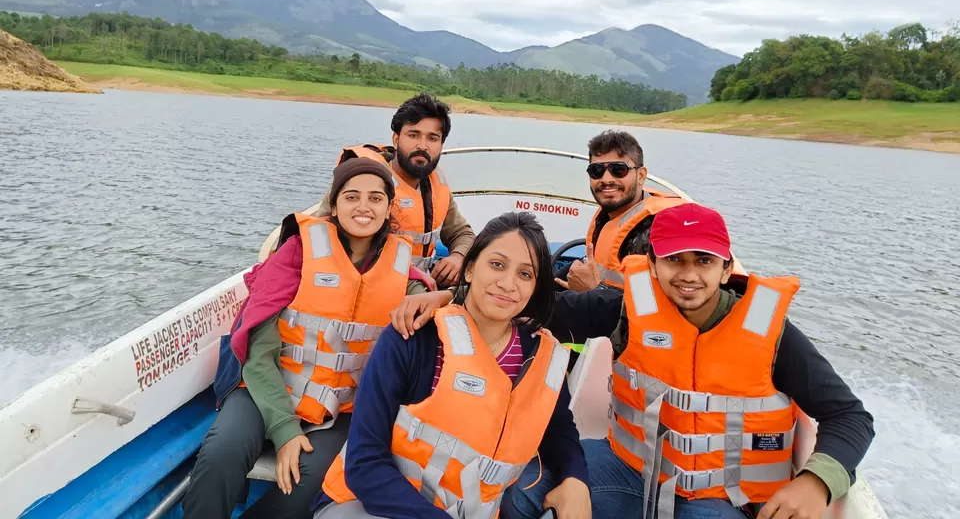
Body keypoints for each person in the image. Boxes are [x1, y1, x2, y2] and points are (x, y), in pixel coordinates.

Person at [503, 203, 876, 519]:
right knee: (521, 490)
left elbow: (849, 417)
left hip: (724, 498)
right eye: (674, 260)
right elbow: (540, 310)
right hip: (629, 469)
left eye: (703, 260)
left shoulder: (772, 333)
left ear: (726, 268)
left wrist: (816, 482)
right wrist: (464, 301)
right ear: (652, 264)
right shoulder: (627, 311)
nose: (689, 275)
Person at [182, 158, 438, 519]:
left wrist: (439, 297)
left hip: (340, 408)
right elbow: (258, 351)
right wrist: (285, 430)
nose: (363, 207)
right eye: (351, 197)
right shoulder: (296, 254)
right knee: (221, 453)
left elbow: (436, 305)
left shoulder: (402, 271)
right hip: (267, 388)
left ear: (387, 207)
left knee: (311, 483)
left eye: (375, 198)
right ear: (334, 204)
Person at [312, 212, 592, 519]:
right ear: (470, 269)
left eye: (525, 274)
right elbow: (364, 462)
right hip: (366, 505)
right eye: (497, 264)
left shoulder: (542, 358)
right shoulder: (414, 338)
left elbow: (560, 432)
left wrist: (575, 479)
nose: (508, 283)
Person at [323, 93, 475, 286]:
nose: (422, 146)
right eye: (413, 135)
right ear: (396, 139)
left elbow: (462, 233)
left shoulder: (436, 184)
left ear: (441, 144)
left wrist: (458, 257)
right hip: (368, 284)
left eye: (433, 138)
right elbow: (321, 234)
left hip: (420, 284)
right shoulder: (361, 177)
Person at [556, 130, 684, 294]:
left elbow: (655, 308)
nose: (606, 179)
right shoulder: (607, 216)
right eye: (597, 171)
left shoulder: (660, 230)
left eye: (618, 170)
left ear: (641, 176)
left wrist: (596, 290)